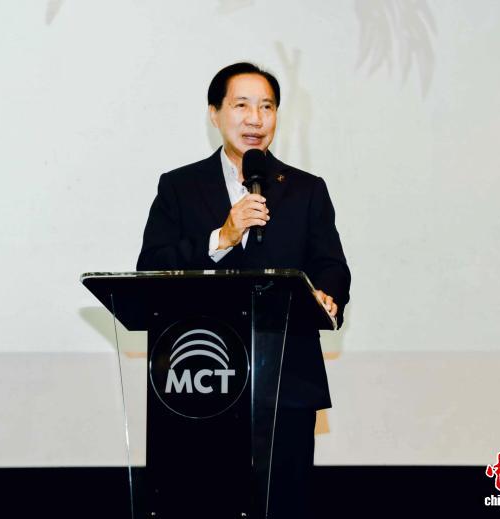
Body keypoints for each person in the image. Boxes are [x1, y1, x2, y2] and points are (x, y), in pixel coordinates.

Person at [137, 62, 351, 518]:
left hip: (287, 380)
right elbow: (151, 268)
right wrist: (223, 237)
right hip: (200, 379)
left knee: (284, 504)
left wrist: (326, 293)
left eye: (267, 107)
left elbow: (332, 266)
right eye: (241, 106)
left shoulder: (306, 190)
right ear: (214, 113)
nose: (255, 119)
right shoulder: (179, 187)